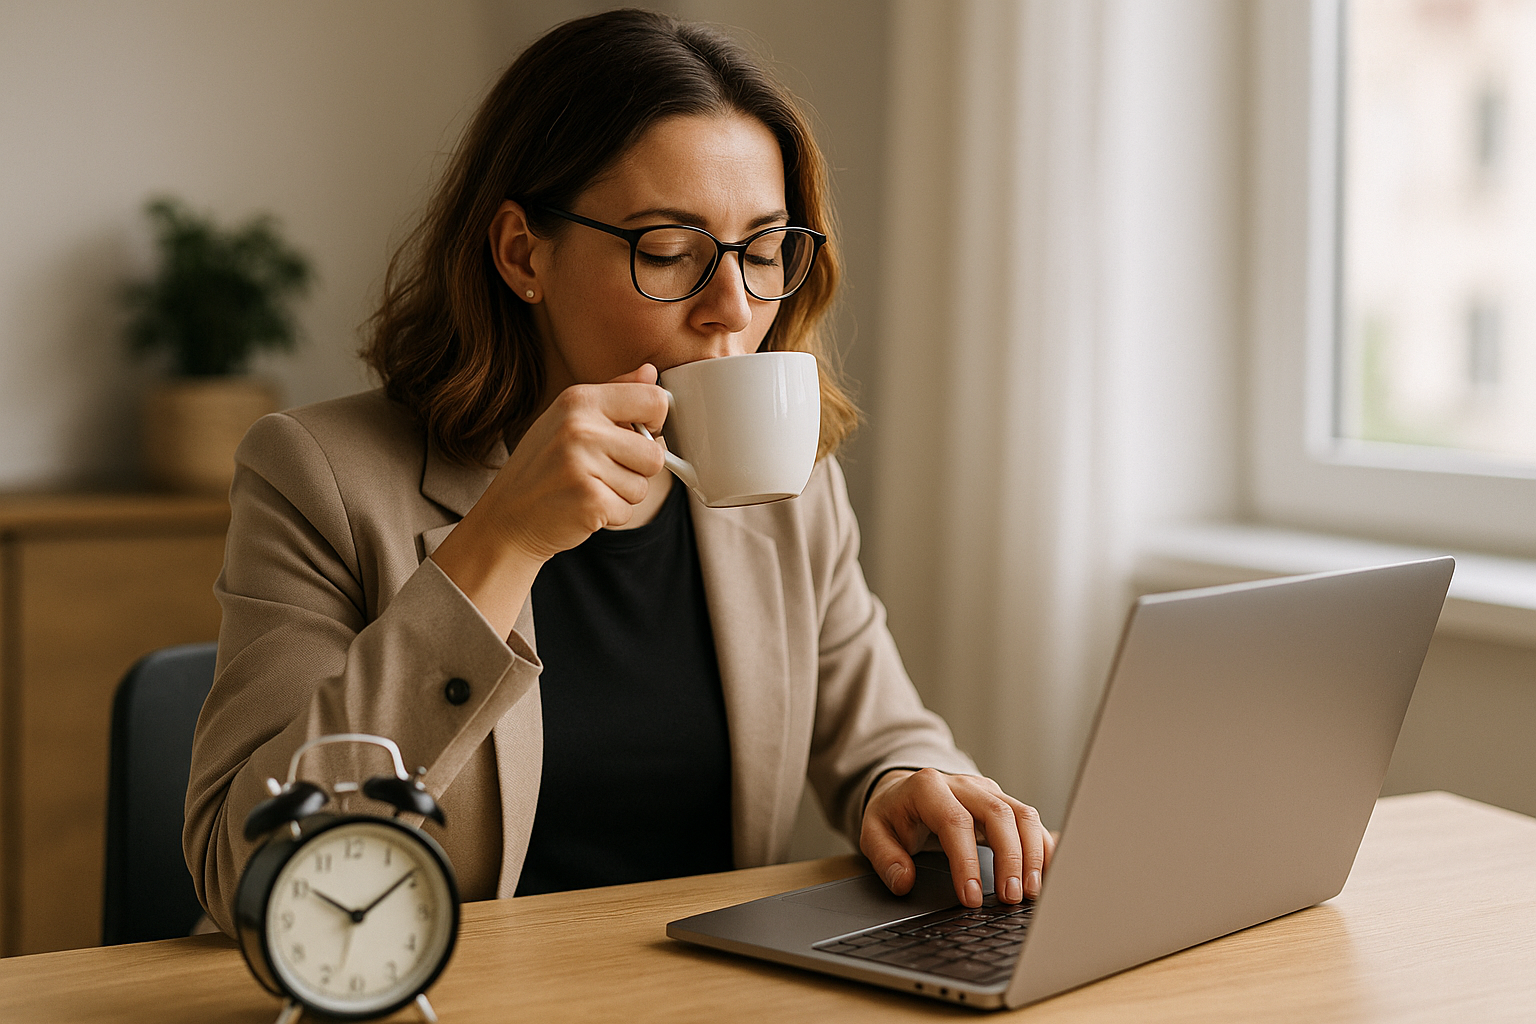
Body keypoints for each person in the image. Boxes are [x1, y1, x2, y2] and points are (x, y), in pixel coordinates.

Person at [183, 8, 1053, 936]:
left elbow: (877, 731)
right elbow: (249, 865)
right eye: (670, 252)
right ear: (523, 254)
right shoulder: (318, 477)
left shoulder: (784, 489)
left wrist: (913, 784)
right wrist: (501, 545)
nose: (732, 308)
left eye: (763, 252)